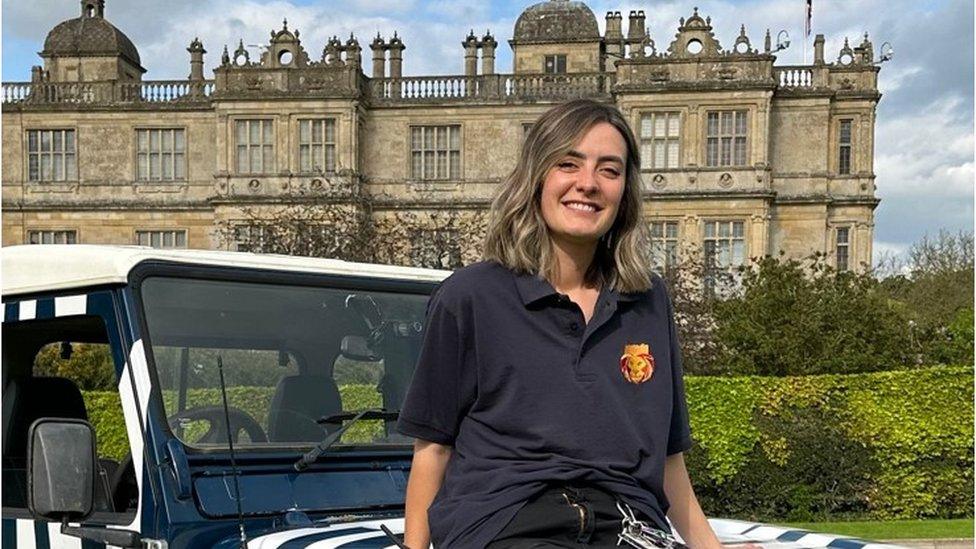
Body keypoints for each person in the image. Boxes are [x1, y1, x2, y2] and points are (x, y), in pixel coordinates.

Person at [396, 99, 723, 548]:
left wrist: (712, 547)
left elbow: (667, 458)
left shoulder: (648, 299)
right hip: (506, 523)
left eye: (609, 170)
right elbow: (433, 449)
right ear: (536, 178)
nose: (588, 184)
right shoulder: (470, 296)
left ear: (625, 191)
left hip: (627, 525)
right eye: (569, 164)